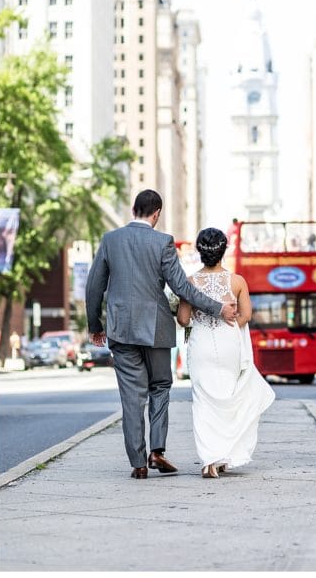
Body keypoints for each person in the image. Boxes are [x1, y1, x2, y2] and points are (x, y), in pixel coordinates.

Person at [85, 189, 237, 479]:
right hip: (155, 328)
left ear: (133, 210)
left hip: (121, 330)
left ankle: (139, 464)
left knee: (131, 397)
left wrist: (95, 326)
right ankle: (157, 450)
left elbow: (94, 287)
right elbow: (183, 289)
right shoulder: (162, 242)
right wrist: (218, 308)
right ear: (156, 214)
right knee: (160, 387)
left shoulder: (110, 240)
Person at [177, 227, 275, 478]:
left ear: (200, 252)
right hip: (229, 343)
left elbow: (184, 319)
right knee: (228, 398)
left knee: (203, 401)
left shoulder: (189, 282)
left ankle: (210, 460)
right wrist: (227, 328)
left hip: (201, 346)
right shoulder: (237, 281)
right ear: (223, 251)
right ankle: (222, 455)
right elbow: (246, 315)